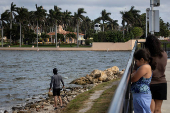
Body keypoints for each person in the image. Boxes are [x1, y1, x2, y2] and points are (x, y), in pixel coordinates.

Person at [145, 35, 167, 113]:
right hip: (162, 83)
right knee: (157, 109)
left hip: (149, 84)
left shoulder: (147, 55)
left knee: (151, 110)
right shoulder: (164, 53)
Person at [131, 49, 156, 113]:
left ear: (142, 59)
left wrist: (131, 75)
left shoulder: (144, 67)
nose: (136, 63)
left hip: (141, 95)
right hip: (141, 94)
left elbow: (133, 79)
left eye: (136, 61)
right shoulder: (146, 67)